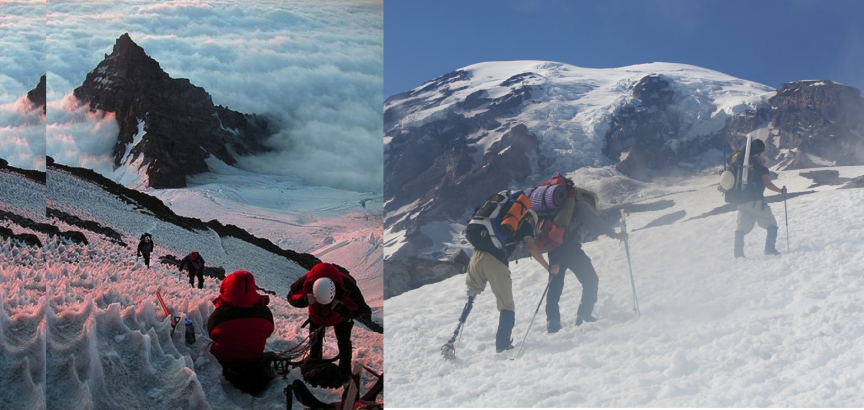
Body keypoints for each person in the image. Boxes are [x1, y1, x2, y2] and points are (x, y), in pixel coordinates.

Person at [465, 209, 553, 353]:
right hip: (495, 261)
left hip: (476, 256)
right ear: (531, 219)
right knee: (506, 305)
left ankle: (454, 338)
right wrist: (548, 267)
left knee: (471, 295)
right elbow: (531, 247)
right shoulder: (525, 224)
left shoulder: (498, 220)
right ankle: (503, 344)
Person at [546, 200, 628, 333]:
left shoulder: (561, 205)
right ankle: (584, 315)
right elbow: (595, 222)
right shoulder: (582, 205)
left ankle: (552, 322)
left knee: (555, 286)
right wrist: (614, 234)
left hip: (554, 249)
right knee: (591, 280)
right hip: (571, 249)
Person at [288, 262, 372, 380]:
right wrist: (304, 300)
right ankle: (315, 366)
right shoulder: (307, 282)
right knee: (321, 341)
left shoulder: (347, 285)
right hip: (318, 315)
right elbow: (291, 296)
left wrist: (343, 310)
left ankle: (344, 372)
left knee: (343, 342)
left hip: (337, 317)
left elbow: (361, 309)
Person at [206, 270, 275, 395]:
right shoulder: (265, 313)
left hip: (224, 360)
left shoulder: (219, 315)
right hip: (254, 358)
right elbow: (269, 332)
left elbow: (212, 334)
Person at [734, 154, 788, 258]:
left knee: (741, 228)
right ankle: (769, 249)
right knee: (772, 224)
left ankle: (738, 254)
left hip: (741, 203)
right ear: (762, 161)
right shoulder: (762, 169)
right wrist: (781, 191)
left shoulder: (743, 170)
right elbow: (767, 183)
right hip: (756, 202)